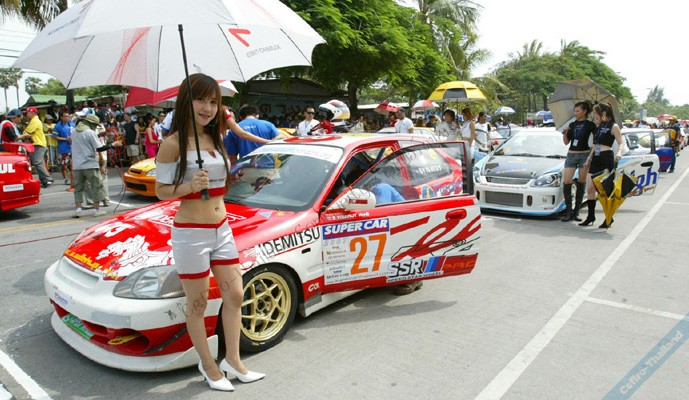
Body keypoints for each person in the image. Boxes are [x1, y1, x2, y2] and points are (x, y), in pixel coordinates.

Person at [155, 73, 264, 392]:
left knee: (236, 294)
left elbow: (220, 182)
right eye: (201, 100)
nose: (208, 108)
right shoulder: (172, 144)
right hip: (191, 234)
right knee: (198, 304)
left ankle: (233, 360)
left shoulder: (215, 138)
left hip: (222, 228)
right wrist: (190, 186)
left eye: (214, 102)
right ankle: (208, 365)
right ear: (186, 102)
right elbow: (161, 191)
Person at [580, 102, 624, 229]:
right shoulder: (599, 126)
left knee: (604, 191)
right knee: (590, 188)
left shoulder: (613, 126)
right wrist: (589, 158)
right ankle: (590, 216)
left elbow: (620, 143)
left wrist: (619, 153)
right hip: (596, 158)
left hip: (606, 158)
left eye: (596, 113)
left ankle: (609, 218)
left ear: (603, 113)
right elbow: (596, 145)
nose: (595, 115)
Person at [71, 114, 121, 217]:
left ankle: (78, 209)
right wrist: (112, 144)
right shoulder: (90, 132)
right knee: (96, 187)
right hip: (90, 164)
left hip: (77, 165)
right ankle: (96, 210)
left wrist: (98, 136)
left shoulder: (74, 132)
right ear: (91, 123)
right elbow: (99, 148)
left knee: (78, 188)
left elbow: (85, 141)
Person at [560, 101, 596, 222]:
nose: (575, 113)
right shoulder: (572, 124)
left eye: (577, 111)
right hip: (571, 154)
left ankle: (576, 211)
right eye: (574, 111)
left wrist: (593, 154)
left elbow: (597, 140)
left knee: (581, 182)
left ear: (584, 111)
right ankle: (569, 211)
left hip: (584, 155)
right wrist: (564, 132)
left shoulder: (590, 125)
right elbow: (566, 142)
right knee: (567, 181)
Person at [18, 107, 53, 188]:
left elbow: (26, 132)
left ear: (32, 113)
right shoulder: (33, 121)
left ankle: (48, 179)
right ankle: (44, 180)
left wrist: (21, 135)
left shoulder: (35, 121)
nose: (26, 115)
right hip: (36, 144)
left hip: (38, 144)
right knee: (38, 163)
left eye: (27, 113)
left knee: (37, 162)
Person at [53, 111, 74, 185]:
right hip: (63, 148)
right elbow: (54, 137)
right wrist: (65, 139)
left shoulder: (71, 124)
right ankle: (66, 178)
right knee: (64, 164)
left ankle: (73, 178)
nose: (67, 118)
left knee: (72, 164)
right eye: (65, 116)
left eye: (68, 116)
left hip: (72, 147)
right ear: (61, 117)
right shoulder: (58, 126)